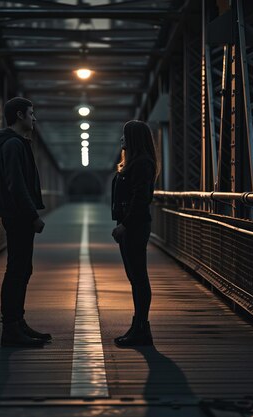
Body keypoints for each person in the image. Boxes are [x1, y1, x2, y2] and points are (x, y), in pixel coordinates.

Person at [0, 97, 51, 347]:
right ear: (20, 115)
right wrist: (33, 216)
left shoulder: (15, 143)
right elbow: (16, 184)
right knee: (16, 270)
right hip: (19, 216)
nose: (34, 118)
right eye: (31, 113)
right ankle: (11, 328)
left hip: (17, 215)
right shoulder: (13, 145)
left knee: (23, 269)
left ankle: (18, 323)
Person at [111, 120, 158, 347]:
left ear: (133, 139)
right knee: (135, 278)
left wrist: (125, 225)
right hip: (131, 227)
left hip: (135, 228)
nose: (121, 140)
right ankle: (138, 326)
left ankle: (141, 328)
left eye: (124, 135)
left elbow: (141, 199)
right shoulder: (135, 163)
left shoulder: (142, 164)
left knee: (139, 278)